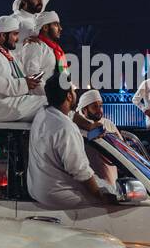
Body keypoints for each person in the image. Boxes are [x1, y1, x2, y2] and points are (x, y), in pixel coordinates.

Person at [27, 72, 118, 209]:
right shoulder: (66, 128)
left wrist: (89, 126)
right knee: (115, 199)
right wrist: (101, 196)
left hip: (39, 188)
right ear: (69, 96)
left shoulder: (44, 113)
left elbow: (70, 114)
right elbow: (80, 171)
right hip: (57, 195)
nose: (75, 93)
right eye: (73, 91)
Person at [0, 15, 46, 122]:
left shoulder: (8, 54)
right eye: (15, 34)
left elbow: (19, 68)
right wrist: (24, 84)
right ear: (3, 35)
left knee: (53, 105)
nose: (18, 38)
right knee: (51, 104)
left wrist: (27, 43)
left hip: (12, 103)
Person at [19, 10, 66, 88]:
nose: (60, 28)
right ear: (45, 27)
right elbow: (32, 79)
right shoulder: (34, 45)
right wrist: (52, 97)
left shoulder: (57, 50)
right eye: (56, 24)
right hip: (44, 98)